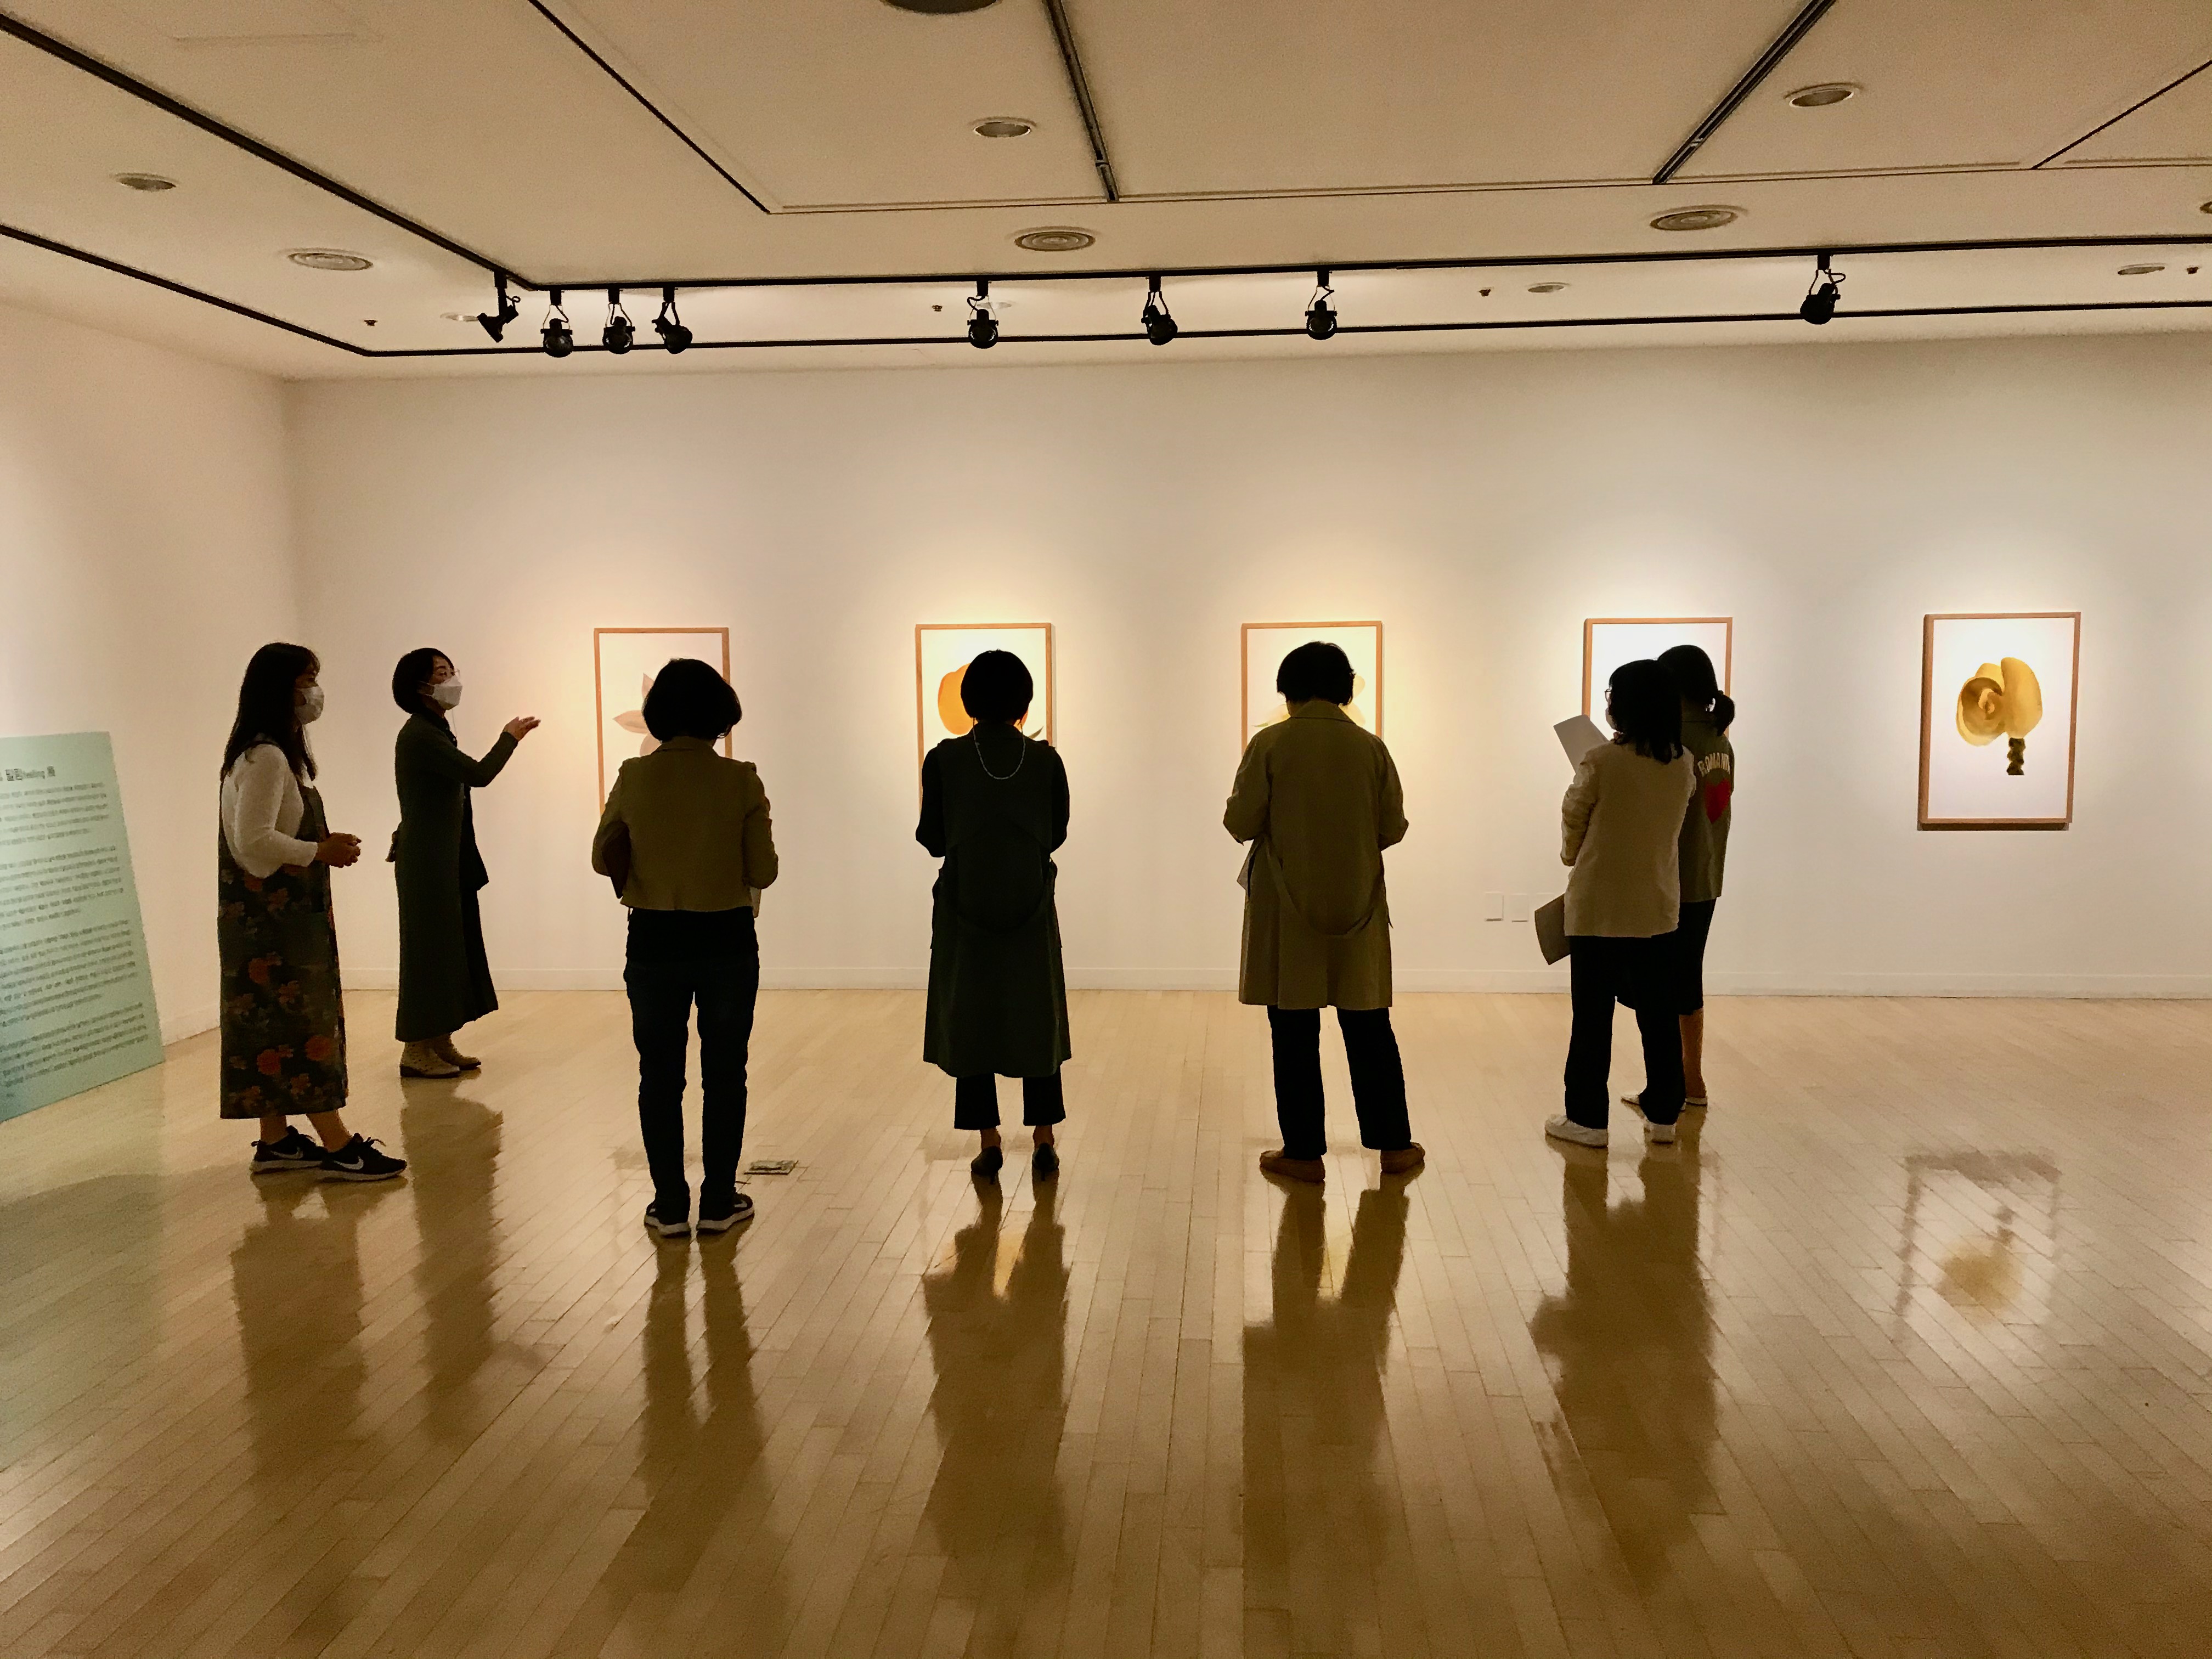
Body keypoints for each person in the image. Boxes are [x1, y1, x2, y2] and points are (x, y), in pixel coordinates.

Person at [1225, 641, 1423, 1183]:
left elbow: (1240, 821)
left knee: (1293, 1030)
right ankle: (1394, 1146)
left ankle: (1304, 1152)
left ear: (1288, 689)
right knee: (1369, 1027)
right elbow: (1393, 828)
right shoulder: (1370, 748)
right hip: (1358, 903)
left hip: (1286, 910)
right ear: (1343, 688)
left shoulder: (1270, 744)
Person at [592, 658, 776, 1238]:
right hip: (726, 938)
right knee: (725, 1072)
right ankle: (719, 1200)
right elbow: (764, 872)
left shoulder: (634, 775)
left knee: (659, 1074)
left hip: (653, 939)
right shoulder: (741, 779)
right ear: (721, 714)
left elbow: (601, 857)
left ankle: (670, 1204)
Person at [218, 642, 405, 1181]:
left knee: (268, 1028)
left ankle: (275, 1139)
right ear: (280, 689)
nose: (315, 692)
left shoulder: (257, 754)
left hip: (269, 920)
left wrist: (317, 847)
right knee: (301, 1025)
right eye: (307, 681)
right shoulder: (268, 757)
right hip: (276, 924)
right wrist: (318, 851)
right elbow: (253, 841)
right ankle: (340, 1146)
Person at [917, 650, 1070, 1182]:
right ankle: (1044, 1136)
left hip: (966, 907)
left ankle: (989, 1140)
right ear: (1025, 703)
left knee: (972, 1018)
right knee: (1037, 1016)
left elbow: (933, 839)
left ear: (968, 702)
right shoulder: (1046, 761)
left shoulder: (944, 760)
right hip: (1030, 904)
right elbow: (1056, 834)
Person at [1549, 658, 1696, 1149]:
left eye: (1611, 695)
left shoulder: (1600, 761)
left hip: (1599, 909)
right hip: (1658, 907)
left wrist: (1572, 855)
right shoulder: (1684, 763)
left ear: (1625, 705)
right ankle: (1665, 1115)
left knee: (1593, 1019)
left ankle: (1588, 1119)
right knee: (1658, 1016)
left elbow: (1574, 820)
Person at [389, 647, 539, 1079]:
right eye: (441, 673)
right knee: (427, 954)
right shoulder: (421, 734)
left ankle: (439, 1039)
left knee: (449, 950)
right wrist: (509, 737)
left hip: (444, 857)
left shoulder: (435, 731)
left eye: (452, 670)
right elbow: (479, 774)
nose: (452, 679)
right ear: (420, 686)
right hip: (427, 861)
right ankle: (415, 1049)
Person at [1643, 643, 1735, 1111]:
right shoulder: (1721, 739)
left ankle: (1668, 1089)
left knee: (1659, 985)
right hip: (1707, 874)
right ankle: (1692, 1079)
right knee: (1688, 975)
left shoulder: (1673, 743)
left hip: (1669, 877)